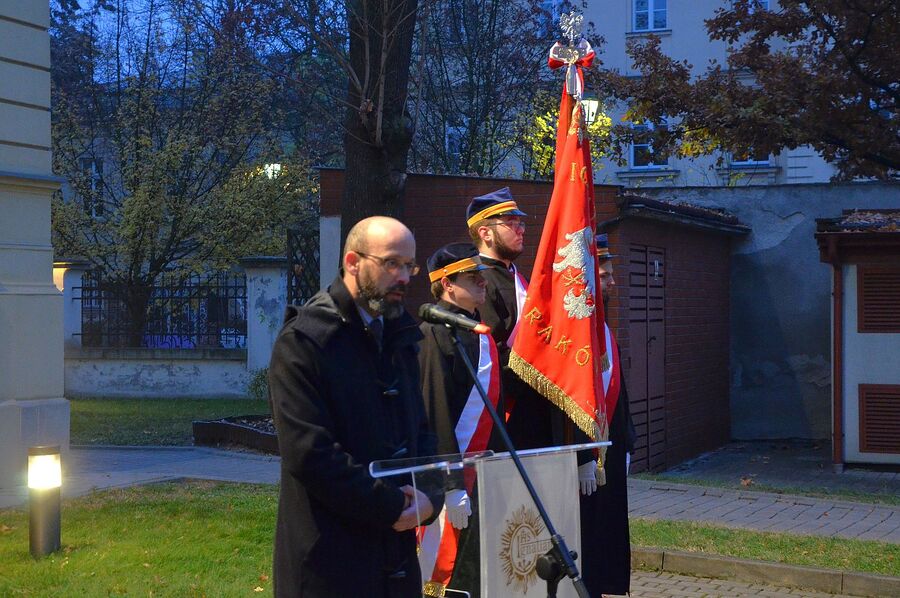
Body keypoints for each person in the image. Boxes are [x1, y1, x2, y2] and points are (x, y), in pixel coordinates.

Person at [268, 216, 440, 598]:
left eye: (409, 266)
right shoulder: (305, 341)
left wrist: (430, 496)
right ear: (352, 262)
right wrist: (391, 505)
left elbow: (421, 430)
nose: (403, 277)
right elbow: (309, 453)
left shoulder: (401, 336)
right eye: (391, 263)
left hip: (396, 559)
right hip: (330, 558)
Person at [465, 188, 597, 482]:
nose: (521, 229)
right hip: (510, 418)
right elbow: (490, 351)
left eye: (521, 222)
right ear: (485, 232)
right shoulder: (479, 281)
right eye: (511, 222)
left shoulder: (519, 279)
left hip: (541, 416)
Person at [417, 243, 501, 598]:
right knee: (445, 574)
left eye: (482, 276)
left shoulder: (477, 332)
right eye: (472, 278)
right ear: (447, 284)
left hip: (481, 474)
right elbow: (435, 411)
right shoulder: (432, 334)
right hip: (450, 477)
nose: (483, 283)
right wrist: (451, 483)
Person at [580, 233, 637, 597]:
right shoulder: (576, 333)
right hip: (585, 455)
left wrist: (626, 440)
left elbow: (619, 393)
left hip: (609, 450)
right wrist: (583, 455)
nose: (613, 282)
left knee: (607, 529)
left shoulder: (601, 328)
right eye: (605, 275)